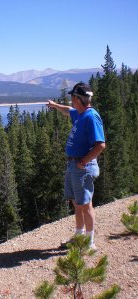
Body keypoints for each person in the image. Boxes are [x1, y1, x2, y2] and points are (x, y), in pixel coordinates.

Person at [47, 82, 106, 249]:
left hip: (82, 167)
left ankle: (89, 242)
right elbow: (68, 111)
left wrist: (83, 162)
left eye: (72, 97)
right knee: (76, 202)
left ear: (76, 98)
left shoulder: (91, 116)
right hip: (74, 165)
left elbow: (100, 145)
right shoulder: (80, 113)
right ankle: (80, 236)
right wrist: (54, 106)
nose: (71, 101)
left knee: (86, 204)